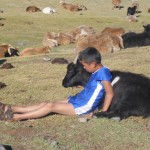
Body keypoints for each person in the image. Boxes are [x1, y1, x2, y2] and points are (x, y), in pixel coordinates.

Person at [0, 47, 114, 121]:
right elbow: (96, 88)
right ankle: (13, 108)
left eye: (84, 65)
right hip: (78, 99)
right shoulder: (98, 71)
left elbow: (109, 93)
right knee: (47, 103)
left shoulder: (103, 73)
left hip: (82, 106)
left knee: (50, 107)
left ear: (93, 64)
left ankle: (17, 117)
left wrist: (103, 113)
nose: (84, 67)